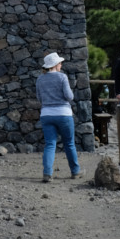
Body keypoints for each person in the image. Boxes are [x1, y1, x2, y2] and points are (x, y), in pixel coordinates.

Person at [36, 51, 81, 182]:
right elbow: (69, 96)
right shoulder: (62, 77)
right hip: (63, 114)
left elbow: (39, 98)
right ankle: (75, 171)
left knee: (50, 144)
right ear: (55, 64)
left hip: (46, 114)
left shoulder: (40, 79)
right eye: (60, 62)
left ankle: (47, 173)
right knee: (69, 143)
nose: (61, 64)